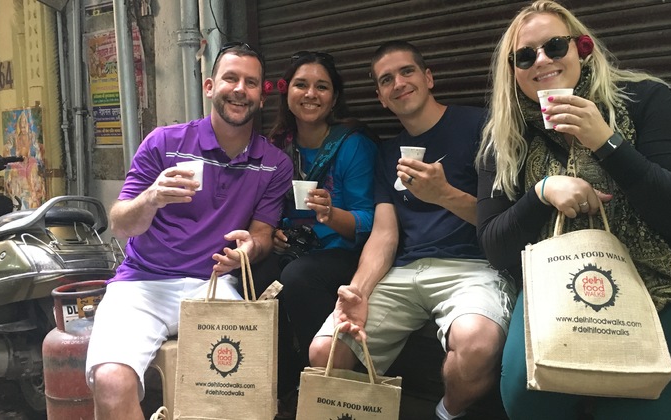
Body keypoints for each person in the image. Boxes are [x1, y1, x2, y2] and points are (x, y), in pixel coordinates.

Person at [476, 1, 671, 419]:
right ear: (513, 72)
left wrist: (607, 143)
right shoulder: (504, 137)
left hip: (667, 281)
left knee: (638, 409)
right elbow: (496, 248)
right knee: (526, 396)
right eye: (524, 56)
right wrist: (541, 192)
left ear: (582, 47)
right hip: (555, 280)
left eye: (555, 46)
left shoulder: (646, 99)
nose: (542, 60)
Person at [308, 40, 517, 420]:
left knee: (476, 346)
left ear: (428, 77)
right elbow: (384, 235)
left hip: (473, 267)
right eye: (386, 80)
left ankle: (445, 413)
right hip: (406, 271)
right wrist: (359, 291)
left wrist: (444, 194)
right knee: (325, 352)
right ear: (381, 97)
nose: (398, 83)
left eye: (406, 72)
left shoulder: (480, 126)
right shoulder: (389, 154)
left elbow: (502, 223)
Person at [85, 42, 293, 420]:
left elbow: (262, 234)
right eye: (231, 78)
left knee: (244, 389)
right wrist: (152, 197)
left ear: (261, 98)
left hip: (212, 286)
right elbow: (118, 223)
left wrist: (251, 248)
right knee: (111, 383)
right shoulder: (165, 143)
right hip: (141, 284)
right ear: (210, 86)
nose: (239, 89)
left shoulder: (274, 164)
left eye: (250, 82)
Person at [256, 50, 378, 417]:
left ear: (334, 97)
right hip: (295, 248)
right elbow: (267, 209)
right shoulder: (277, 146)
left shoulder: (353, 144)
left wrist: (330, 214)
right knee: (257, 275)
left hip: (341, 251)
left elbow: (369, 221)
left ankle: (325, 384)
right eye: (301, 85)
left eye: (321, 87)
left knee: (299, 276)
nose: (310, 94)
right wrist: (275, 232)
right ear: (287, 93)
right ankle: (278, 387)